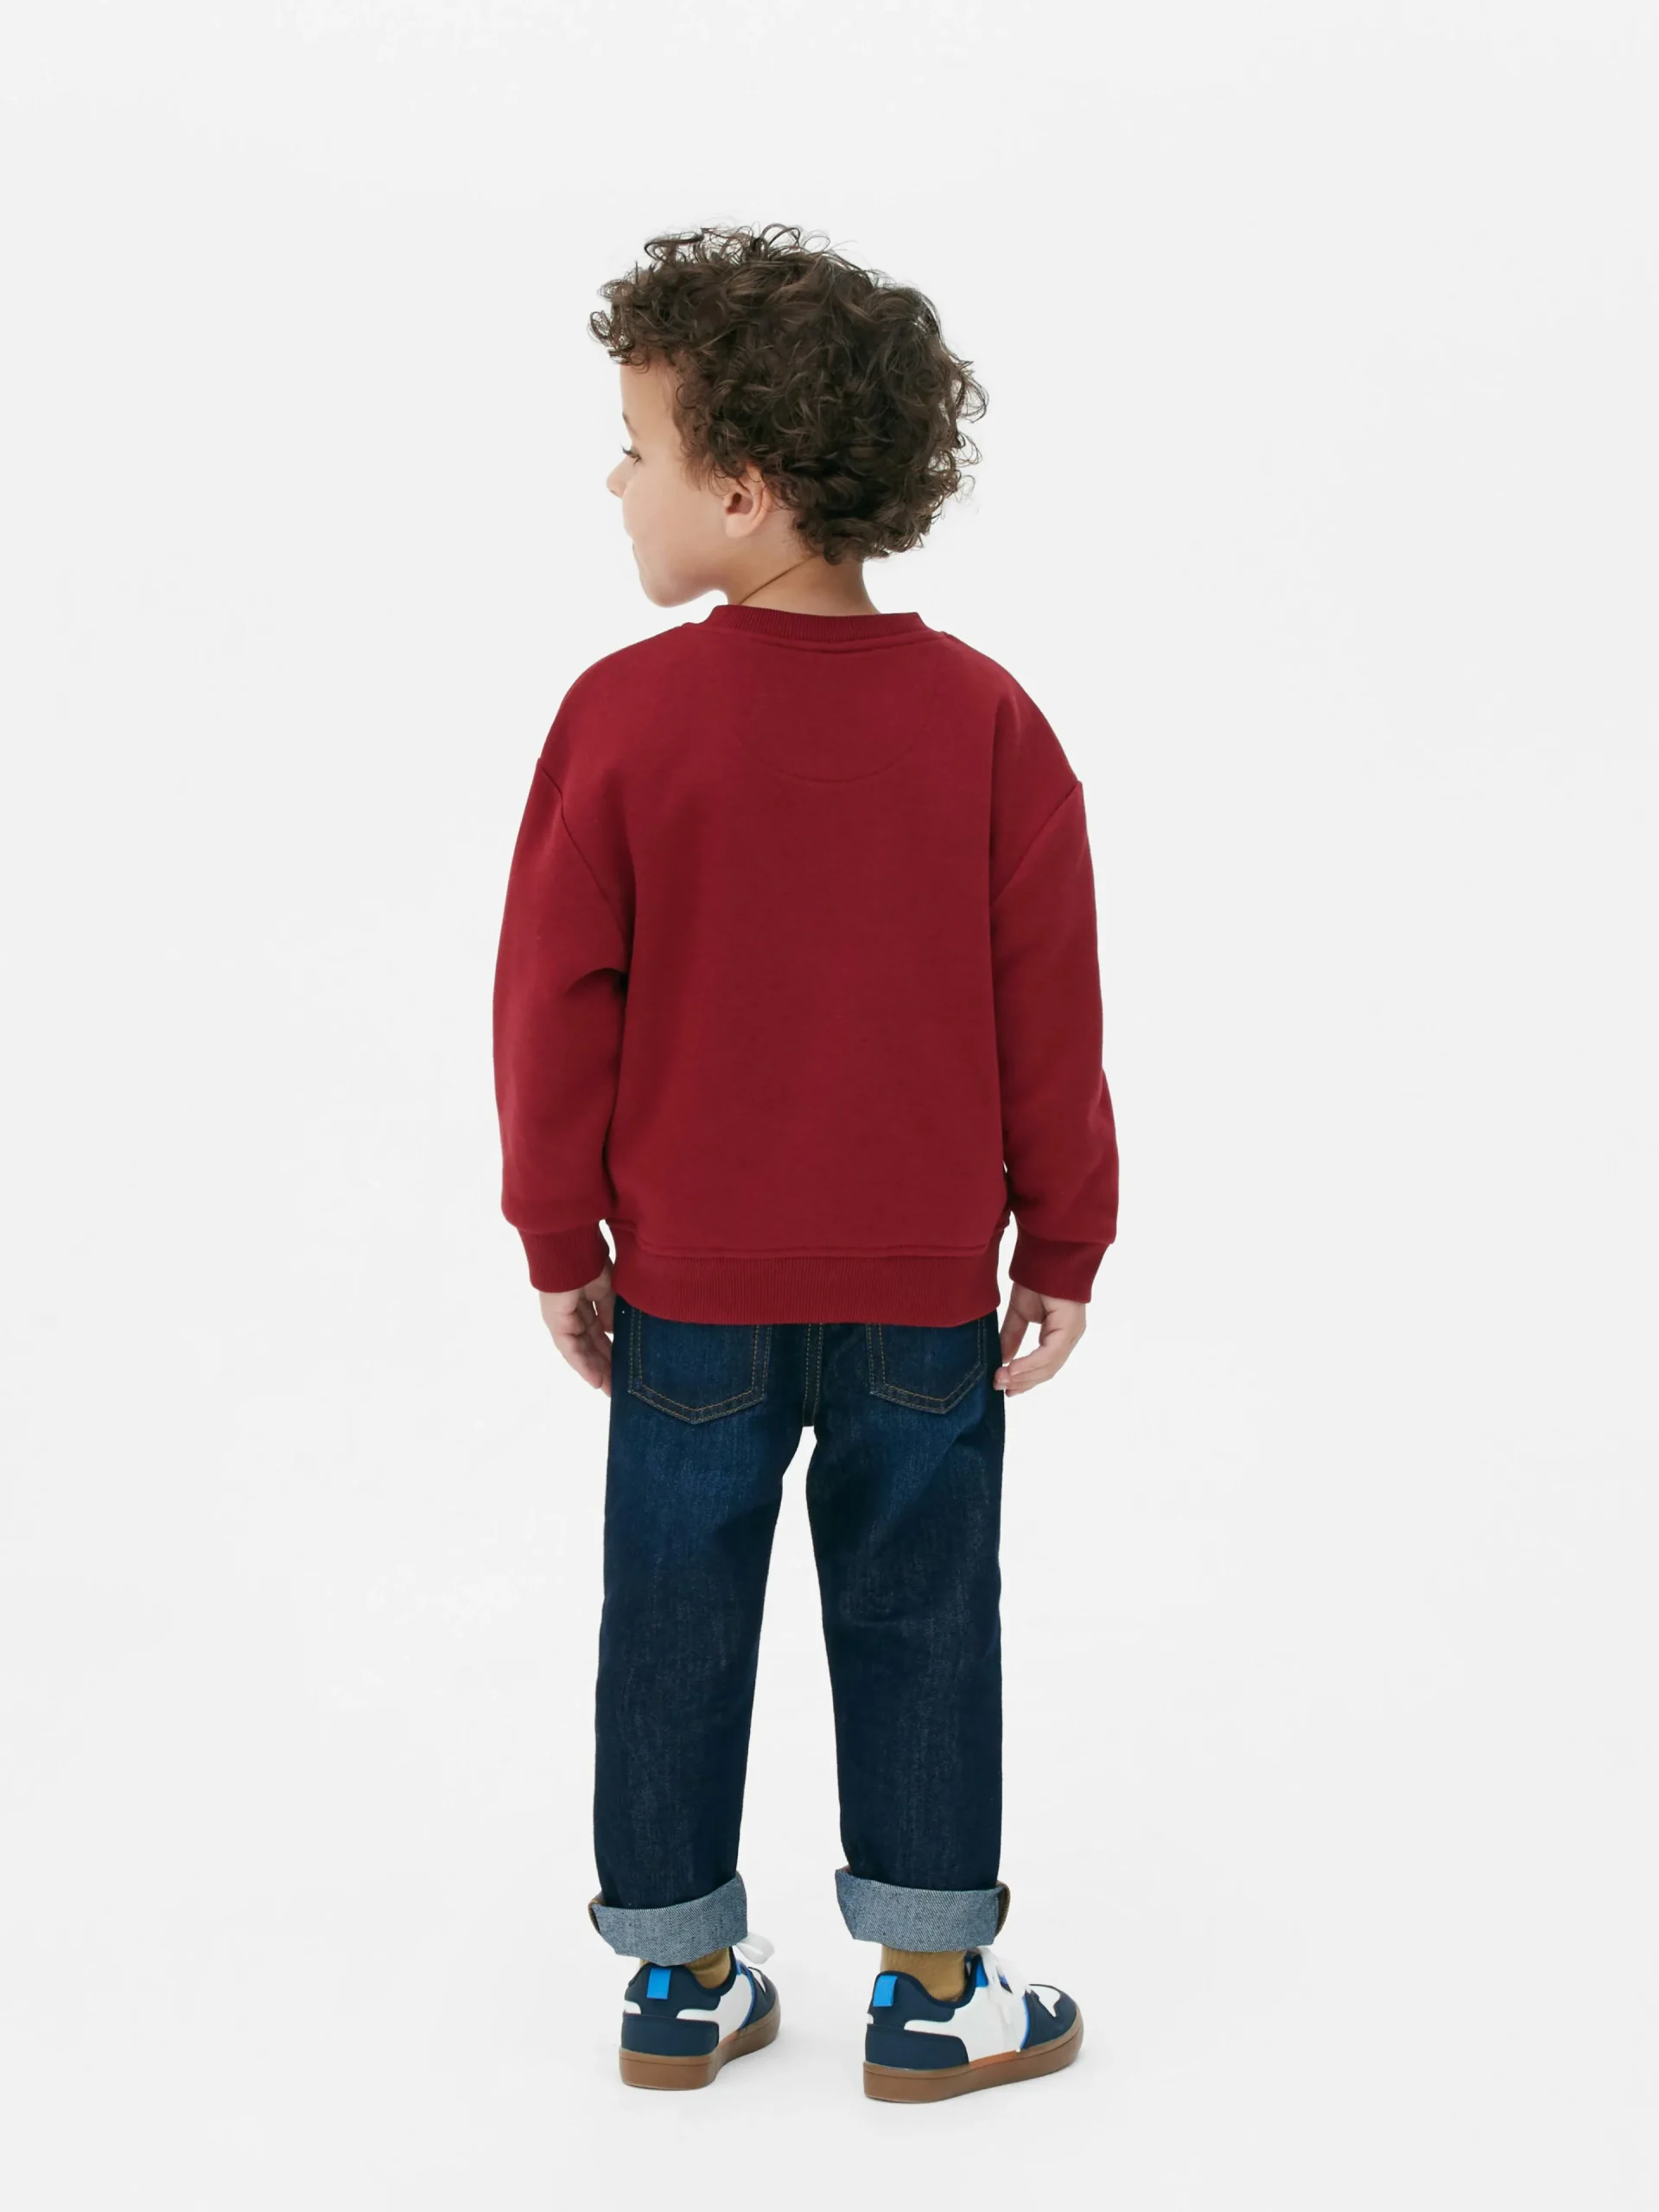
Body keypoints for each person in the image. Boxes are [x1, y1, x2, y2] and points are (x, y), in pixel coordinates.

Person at [492, 223, 1119, 2101]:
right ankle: (933, 1984)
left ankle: (679, 1978)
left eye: (638, 447)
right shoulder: (989, 721)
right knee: (922, 1609)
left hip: (689, 1290)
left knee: (670, 1616)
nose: (615, 481)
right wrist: (1063, 1239)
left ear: (745, 487)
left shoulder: (622, 718)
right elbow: (1051, 1010)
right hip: (923, 1294)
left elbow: (550, 1006)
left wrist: (558, 1233)